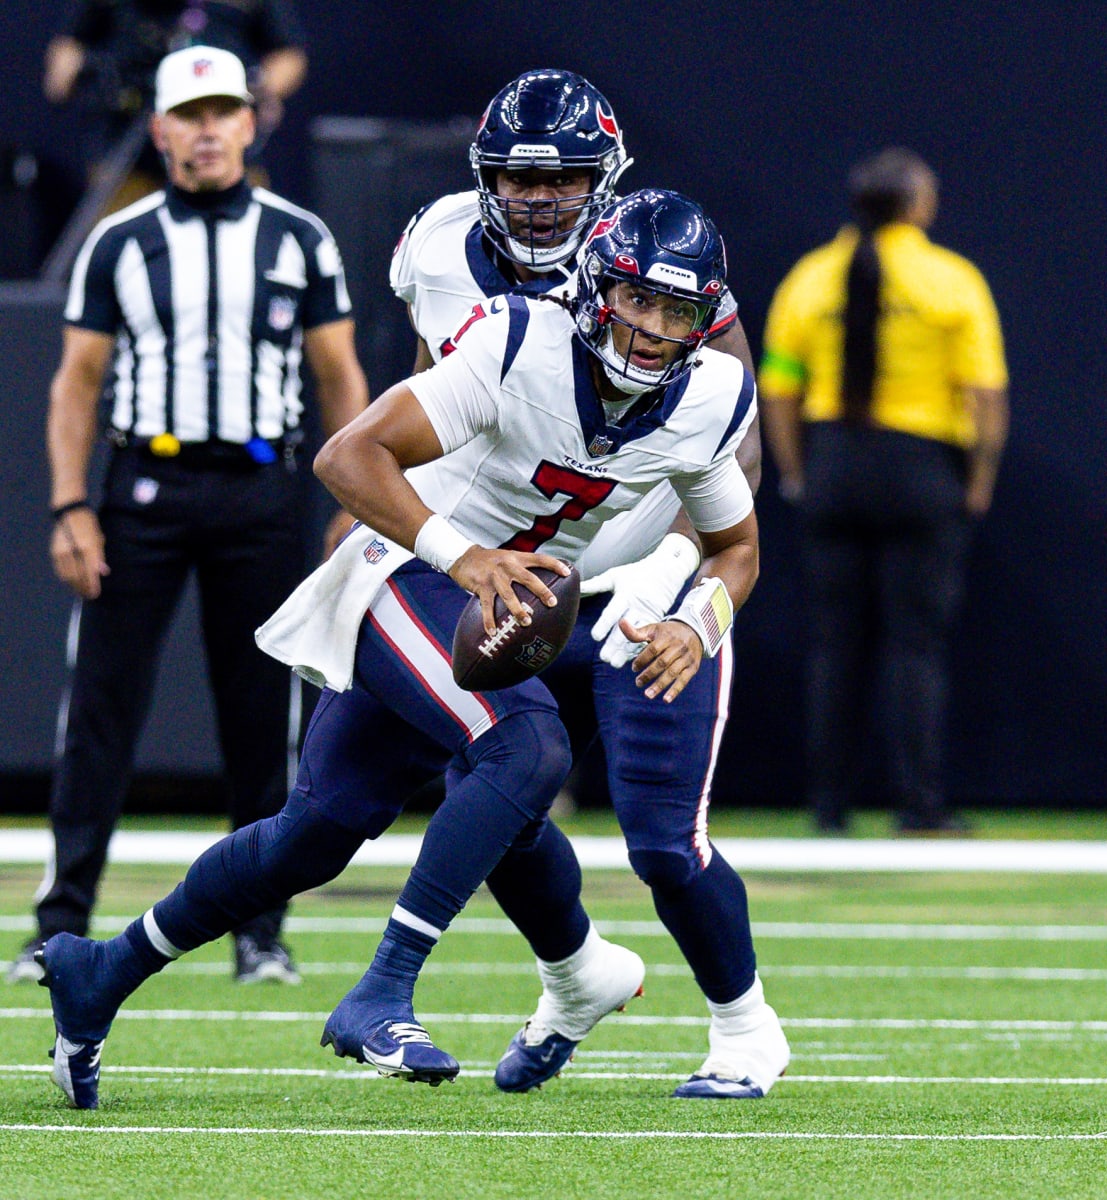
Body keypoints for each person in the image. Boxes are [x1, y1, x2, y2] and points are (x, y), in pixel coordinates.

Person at [35, 187, 789, 1111]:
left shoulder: (708, 396)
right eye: (637, 299)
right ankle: (385, 988)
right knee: (527, 745)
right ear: (597, 289)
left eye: (677, 312)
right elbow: (347, 457)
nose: (651, 330)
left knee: (311, 834)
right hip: (406, 566)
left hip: (492, 597)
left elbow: (737, 546)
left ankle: (98, 974)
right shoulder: (517, 342)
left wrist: (698, 620)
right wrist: (463, 555)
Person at [391, 68, 784, 1098]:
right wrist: (434, 542)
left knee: (662, 836)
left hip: (634, 575)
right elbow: (424, 409)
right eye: (520, 177)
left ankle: (746, 1031)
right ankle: (575, 980)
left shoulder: (672, 279)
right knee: (493, 789)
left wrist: (683, 589)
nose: (541, 196)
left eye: (567, 175)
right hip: (504, 573)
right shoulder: (439, 251)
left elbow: (730, 456)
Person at [7, 45, 369, 987]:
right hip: (145, 491)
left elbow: (341, 380)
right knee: (99, 711)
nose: (207, 131)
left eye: (222, 113)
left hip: (261, 489)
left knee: (261, 716)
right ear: (160, 130)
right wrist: (69, 504)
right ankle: (59, 921)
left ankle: (260, 932)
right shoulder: (118, 240)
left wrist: (351, 504)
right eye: (189, 115)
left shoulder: (300, 238)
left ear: (252, 123)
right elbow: (73, 386)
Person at [758, 147, 1009, 835]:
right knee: (915, 645)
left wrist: (797, 473)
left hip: (834, 463)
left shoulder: (810, 280)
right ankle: (919, 804)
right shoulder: (951, 281)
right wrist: (980, 478)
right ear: (918, 205)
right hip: (922, 469)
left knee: (836, 645)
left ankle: (829, 807)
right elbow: (986, 393)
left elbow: (777, 386)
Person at [44, 0, 307, 212]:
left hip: (221, 141)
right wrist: (74, 71)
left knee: (251, 233)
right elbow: (67, 49)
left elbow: (288, 54)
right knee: (121, 234)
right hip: (128, 142)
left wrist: (260, 87)